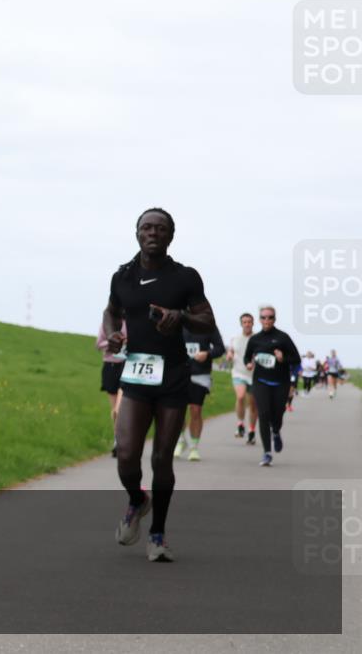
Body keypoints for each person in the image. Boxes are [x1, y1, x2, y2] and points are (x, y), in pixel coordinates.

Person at [104, 208, 216, 562]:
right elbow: (112, 311)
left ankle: (157, 535)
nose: (153, 232)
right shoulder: (122, 277)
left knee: (162, 459)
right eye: (146, 227)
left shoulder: (185, 277)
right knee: (126, 456)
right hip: (136, 375)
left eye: (161, 228)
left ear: (171, 236)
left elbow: (207, 321)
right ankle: (138, 500)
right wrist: (113, 335)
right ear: (137, 233)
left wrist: (180, 316)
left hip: (173, 378)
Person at [242, 306, 301, 467]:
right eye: (263, 317)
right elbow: (247, 356)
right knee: (264, 414)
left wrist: (283, 359)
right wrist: (248, 363)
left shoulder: (283, 338)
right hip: (260, 381)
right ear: (259, 319)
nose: (266, 320)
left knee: (277, 415)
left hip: (281, 382)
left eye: (270, 317)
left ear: (275, 319)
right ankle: (267, 452)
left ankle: (276, 431)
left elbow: (296, 358)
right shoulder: (255, 339)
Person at [174, 325, 225, 461]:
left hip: (200, 374)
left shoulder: (208, 325)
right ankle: (180, 440)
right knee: (177, 411)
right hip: (179, 373)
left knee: (195, 410)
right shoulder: (177, 322)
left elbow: (220, 348)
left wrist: (207, 354)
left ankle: (194, 448)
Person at [97, 320, 127, 458]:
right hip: (110, 366)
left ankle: (120, 440)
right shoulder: (106, 324)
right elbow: (99, 344)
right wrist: (113, 343)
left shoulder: (129, 322)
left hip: (126, 365)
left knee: (119, 409)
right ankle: (117, 439)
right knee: (114, 410)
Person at [227, 313, 258, 444]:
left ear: (253, 323)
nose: (247, 324)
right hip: (239, 373)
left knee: (253, 405)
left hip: (255, 375)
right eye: (244, 322)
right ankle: (240, 425)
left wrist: (254, 363)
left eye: (249, 322)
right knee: (240, 397)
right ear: (241, 324)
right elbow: (230, 351)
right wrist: (229, 354)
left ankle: (251, 431)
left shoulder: (258, 338)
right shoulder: (235, 338)